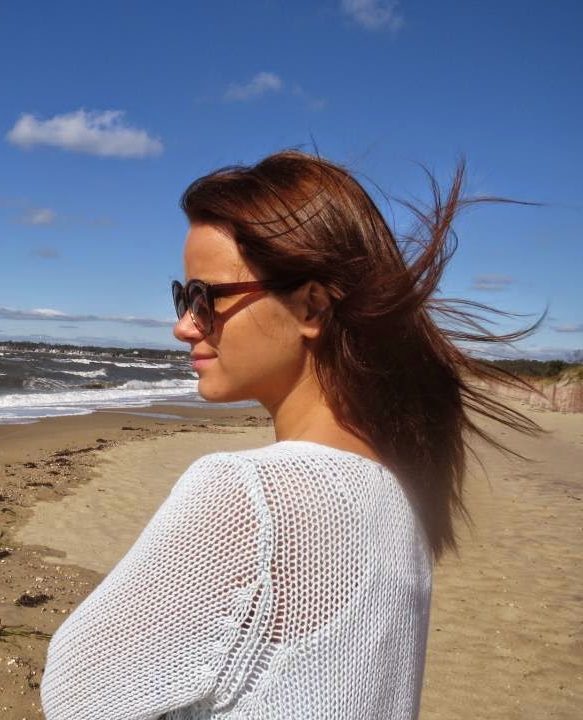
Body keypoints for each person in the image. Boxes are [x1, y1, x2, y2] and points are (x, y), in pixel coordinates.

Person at [39, 150, 548, 719]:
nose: (184, 325)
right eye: (183, 297)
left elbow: (75, 696)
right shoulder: (401, 491)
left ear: (311, 306)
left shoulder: (251, 494)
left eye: (207, 298)